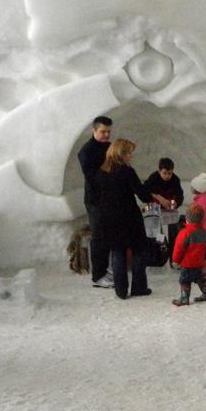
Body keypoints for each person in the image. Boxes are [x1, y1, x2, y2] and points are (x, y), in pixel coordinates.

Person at [94, 138, 156, 299]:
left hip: (108, 218)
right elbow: (143, 195)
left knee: (117, 252)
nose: (131, 156)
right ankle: (139, 288)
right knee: (139, 251)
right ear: (121, 154)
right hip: (128, 217)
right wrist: (152, 194)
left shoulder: (101, 172)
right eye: (129, 152)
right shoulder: (127, 171)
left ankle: (120, 291)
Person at [77, 115, 113, 288]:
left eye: (108, 132)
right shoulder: (86, 151)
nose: (106, 135)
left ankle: (105, 271)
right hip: (95, 200)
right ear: (94, 131)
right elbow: (92, 176)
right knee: (98, 236)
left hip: (109, 199)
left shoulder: (108, 146)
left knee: (107, 235)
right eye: (103, 131)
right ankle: (98, 276)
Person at [171, 204, 206, 306]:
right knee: (200, 278)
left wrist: (175, 260)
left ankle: (184, 299)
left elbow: (178, 249)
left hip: (187, 264)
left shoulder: (184, 233)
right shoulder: (203, 232)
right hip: (199, 263)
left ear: (187, 218)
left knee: (184, 281)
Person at [142, 157, 184, 249]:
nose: (167, 176)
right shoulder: (154, 177)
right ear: (159, 170)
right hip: (154, 208)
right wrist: (159, 197)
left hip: (168, 210)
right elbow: (145, 190)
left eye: (169, 173)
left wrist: (174, 203)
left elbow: (179, 195)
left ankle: (173, 249)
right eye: (164, 173)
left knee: (172, 230)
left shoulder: (175, 179)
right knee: (157, 232)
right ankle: (161, 249)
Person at [189, 172, 206, 276]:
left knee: (201, 249)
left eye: (192, 187)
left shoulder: (201, 201)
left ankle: (204, 267)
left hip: (202, 229)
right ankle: (205, 267)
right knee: (204, 248)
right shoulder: (203, 199)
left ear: (197, 189)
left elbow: (199, 215)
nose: (191, 188)